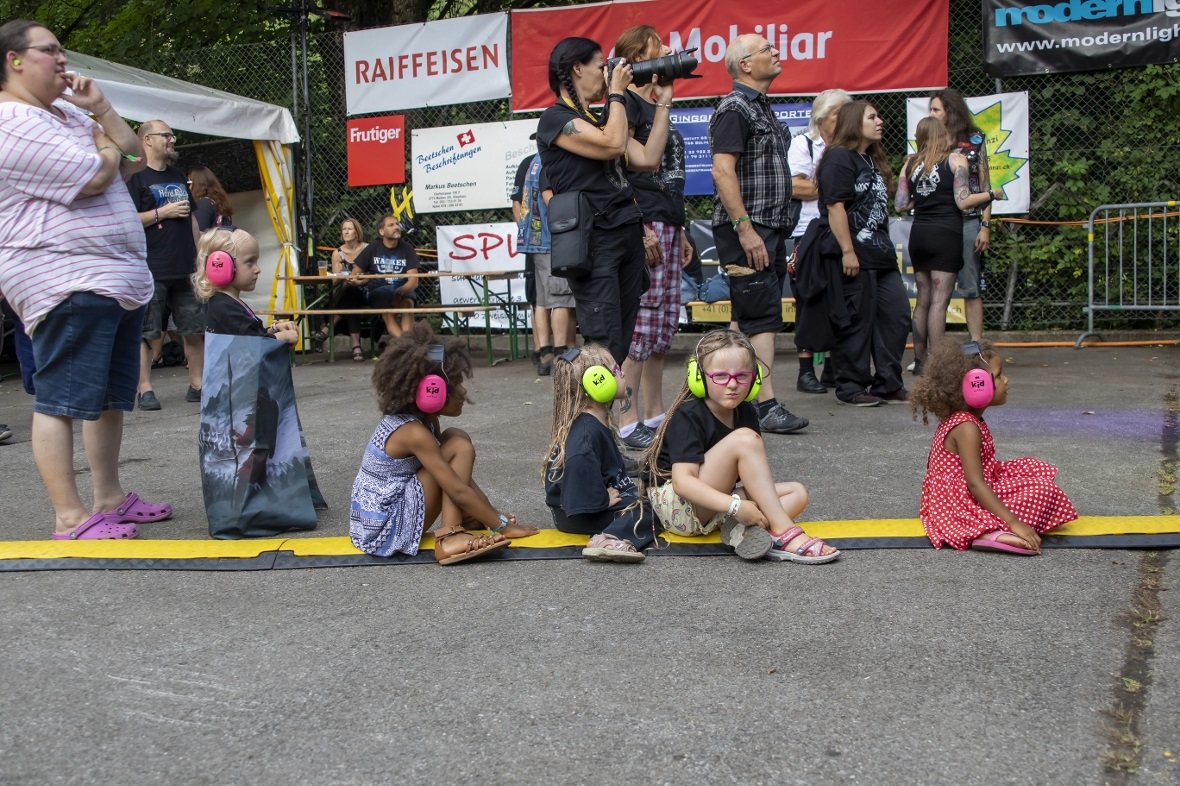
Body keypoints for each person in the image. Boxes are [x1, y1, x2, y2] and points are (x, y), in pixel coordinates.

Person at [0, 20, 172, 540]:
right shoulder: (11, 123)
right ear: (13, 60)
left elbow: (131, 156)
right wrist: (103, 151)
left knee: (106, 398)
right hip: (62, 274)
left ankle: (109, 498)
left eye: (61, 49)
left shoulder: (66, 113)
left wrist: (99, 112)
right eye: (49, 50)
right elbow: (98, 175)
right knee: (61, 398)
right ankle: (70, 517)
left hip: (109, 276)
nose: (61, 58)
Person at [642, 329, 839, 564]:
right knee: (744, 439)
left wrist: (737, 506)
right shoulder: (689, 415)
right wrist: (735, 506)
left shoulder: (745, 411)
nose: (732, 385)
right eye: (721, 377)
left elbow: (753, 478)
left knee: (797, 492)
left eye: (742, 376)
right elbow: (683, 482)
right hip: (678, 509)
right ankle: (784, 534)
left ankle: (741, 533)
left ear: (755, 378)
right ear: (699, 377)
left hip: (714, 507)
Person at [350, 321, 539, 564]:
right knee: (459, 447)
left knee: (456, 437)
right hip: (380, 530)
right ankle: (450, 536)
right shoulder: (412, 432)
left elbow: (456, 475)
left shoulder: (425, 423)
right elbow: (456, 488)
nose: (462, 392)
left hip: (384, 514)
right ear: (431, 392)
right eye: (455, 385)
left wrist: (490, 513)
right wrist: (501, 526)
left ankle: (469, 517)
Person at [536, 37, 672, 365]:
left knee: (620, 342)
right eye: (602, 66)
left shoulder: (602, 120)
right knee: (603, 341)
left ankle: (605, 413)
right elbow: (612, 145)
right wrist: (617, 93)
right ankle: (587, 414)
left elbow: (648, 158)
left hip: (625, 232)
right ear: (576, 68)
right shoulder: (554, 120)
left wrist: (664, 101)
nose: (607, 73)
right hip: (594, 241)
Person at [708, 35, 808, 435]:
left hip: (767, 225)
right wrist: (745, 229)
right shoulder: (735, 108)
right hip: (750, 227)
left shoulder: (760, 107)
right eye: (767, 49)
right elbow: (721, 171)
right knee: (762, 318)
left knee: (747, 316)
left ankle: (723, 396)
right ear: (745, 64)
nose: (776, 53)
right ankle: (764, 405)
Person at [910, 338, 1077, 554]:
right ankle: (987, 532)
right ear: (976, 385)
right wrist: (1014, 522)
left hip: (969, 491)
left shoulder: (968, 419)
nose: (1006, 381)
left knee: (1035, 470)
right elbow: (976, 485)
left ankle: (992, 526)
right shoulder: (966, 427)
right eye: (998, 376)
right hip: (959, 504)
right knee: (1044, 492)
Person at [613, 25, 693, 451]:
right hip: (643, 224)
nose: (666, 52)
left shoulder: (657, 104)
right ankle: (627, 420)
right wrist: (641, 226)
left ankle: (655, 413)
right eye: (656, 47)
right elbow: (627, 172)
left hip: (668, 222)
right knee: (640, 328)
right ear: (637, 58)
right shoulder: (623, 105)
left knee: (662, 329)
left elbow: (669, 177)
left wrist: (678, 230)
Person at [815, 100, 910, 407]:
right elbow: (834, 206)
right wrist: (847, 251)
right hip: (854, 253)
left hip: (881, 255)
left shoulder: (870, 159)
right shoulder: (839, 159)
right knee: (856, 322)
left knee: (896, 316)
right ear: (855, 123)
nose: (880, 121)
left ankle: (888, 383)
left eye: (879, 114)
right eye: (872, 116)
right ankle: (851, 385)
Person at [895, 118, 1002, 375]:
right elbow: (963, 201)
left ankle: (920, 360)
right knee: (939, 302)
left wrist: (920, 199)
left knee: (922, 300)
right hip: (945, 234)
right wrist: (991, 194)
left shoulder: (910, 163)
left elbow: (900, 203)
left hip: (919, 235)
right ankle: (937, 364)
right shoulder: (956, 160)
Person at [544, 344, 659, 563]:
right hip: (582, 513)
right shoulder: (586, 436)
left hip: (586, 506)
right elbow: (578, 465)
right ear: (598, 381)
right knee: (649, 511)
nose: (622, 373)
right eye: (616, 370)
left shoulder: (594, 421)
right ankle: (608, 539)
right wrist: (599, 500)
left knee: (651, 499)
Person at [127, 119, 203, 411]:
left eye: (172, 135)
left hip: (185, 266)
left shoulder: (176, 174)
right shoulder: (134, 177)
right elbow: (129, 219)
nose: (172, 140)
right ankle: (144, 389)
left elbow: (192, 220)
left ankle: (198, 384)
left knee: (194, 328)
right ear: (147, 140)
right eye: (166, 136)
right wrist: (163, 211)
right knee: (148, 332)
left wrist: (200, 256)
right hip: (151, 266)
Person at [788, 88, 851, 395]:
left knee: (839, 298)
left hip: (840, 231)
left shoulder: (851, 148)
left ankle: (832, 368)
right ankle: (805, 371)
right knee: (809, 300)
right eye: (838, 112)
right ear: (822, 116)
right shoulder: (803, 143)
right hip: (808, 230)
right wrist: (833, 187)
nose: (842, 119)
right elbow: (794, 186)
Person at [930, 89, 993, 344]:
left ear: (950, 112)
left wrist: (985, 226)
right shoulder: (930, 141)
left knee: (970, 287)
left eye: (936, 110)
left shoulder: (976, 140)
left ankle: (977, 346)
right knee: (936, 291)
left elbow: (986, 184)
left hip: (968, 221)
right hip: (938, 221)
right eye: (930, 110)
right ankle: (932, 353)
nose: (931, 115)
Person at [515, 147, 576, 376]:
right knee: (560, 296)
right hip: (550, 239)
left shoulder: (533, 162)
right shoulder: (555, 162)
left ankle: (544, 352)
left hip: (534, 239)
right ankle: (561, 354)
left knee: (541, 299)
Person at [192, 228, 298, 344]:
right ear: (224, 265)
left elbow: (248, 334)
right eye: (250, 262)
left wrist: (274, 329)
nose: (257, 269)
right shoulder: (225, 308)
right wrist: (284, 336)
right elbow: (254, 345)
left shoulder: (227, 302)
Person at [350, 213, 418, 342]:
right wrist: (362, 280)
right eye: (391, 225)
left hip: (403, 288)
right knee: (388, 313)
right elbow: (355, 273)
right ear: (381, 231)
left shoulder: (407, 249)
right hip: (379, 289)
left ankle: (407, 345)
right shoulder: (373, 248)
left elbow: (413, 281)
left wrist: (398, 294)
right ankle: (409, 345)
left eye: (397, 224)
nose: (396, 227)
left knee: (407, 305)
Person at [310, 217, 367, 361]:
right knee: (350, 294)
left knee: (353, 291)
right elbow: (334, 282)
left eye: (349, 229)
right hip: (344, 293)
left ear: (357, 232)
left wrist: (359, 280)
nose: (346, 232)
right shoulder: (337, 253)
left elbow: (372, 274)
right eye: (344, 229)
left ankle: (328, 327)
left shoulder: (367, 249)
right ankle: (356, 347)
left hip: (365, 290)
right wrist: (339, 273)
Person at [187, 165, 233, 231]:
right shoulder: (219, 200)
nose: (188, 187)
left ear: (197, 183)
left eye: (189, 183)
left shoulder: (203, 203)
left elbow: (200, 233)